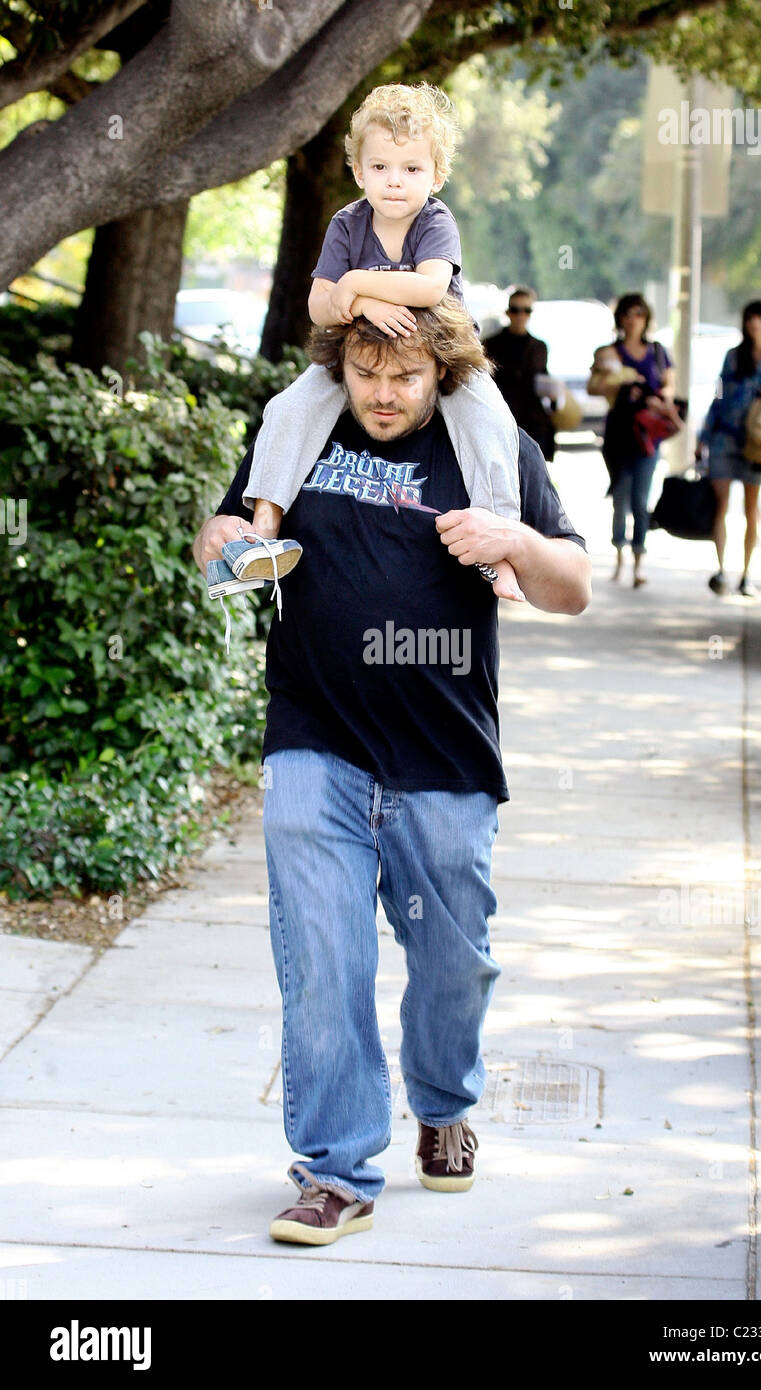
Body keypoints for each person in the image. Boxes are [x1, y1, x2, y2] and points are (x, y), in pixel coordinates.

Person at [192, 297, 591, 1246]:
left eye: (403, 377)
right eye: (365, 374)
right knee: (324, 961)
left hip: (445, 752)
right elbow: (221, 535)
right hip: (314, 737)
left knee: (454, 966)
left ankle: (445, 1104)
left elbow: (572, 587)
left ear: (441, 373)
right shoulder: (297, 432)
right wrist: (218, 545)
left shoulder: (491, 448)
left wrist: (517, 545)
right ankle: (333, 1170)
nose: (381, 394)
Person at [228, 81, 523, 604]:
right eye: (381, 168)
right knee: (288, 409)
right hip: (360, 353)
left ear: (436, 175)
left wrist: (356, 283)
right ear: (360, 171)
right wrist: (358, 304)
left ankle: (498, 546)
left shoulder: (435, 220)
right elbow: (321, 307)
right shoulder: (347, 224)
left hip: (441, 356)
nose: (395, 182)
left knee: (491, 422)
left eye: (412, 169)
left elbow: (430, 287)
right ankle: (264, 529)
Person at [697, 300, 761, 597]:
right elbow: (718, 397)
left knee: (751, 510)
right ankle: (721, 570)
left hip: (757, 444)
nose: (755, 324)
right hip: (724, 438)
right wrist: (703, 436)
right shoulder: (733, 357)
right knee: (721, 505)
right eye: (750, 319)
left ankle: (745, 575)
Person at [588, 293, 675, 589]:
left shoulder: (659, 352)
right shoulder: (610, 353)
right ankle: (619, 557)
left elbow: (669, 388)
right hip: (618, 434)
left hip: (647, 434)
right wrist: (620, 380)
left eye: (638, 313)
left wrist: (657, 400)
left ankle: (638, 560)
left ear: (646, 317)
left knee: (640, 499)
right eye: (627, 313)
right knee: (621, 497)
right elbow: (594, 387)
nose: (632, 319)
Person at [483, 287, 556, 461]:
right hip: (500, 420)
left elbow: (541, 380)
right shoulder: (491, 345)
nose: (521, 315)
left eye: (526, 310)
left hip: (532, 422)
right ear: (508, 313)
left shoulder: (539, 347)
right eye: (516, 310)